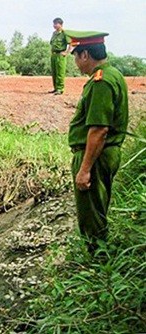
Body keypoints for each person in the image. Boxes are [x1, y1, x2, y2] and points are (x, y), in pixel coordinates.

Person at [66, 30, 129, 254]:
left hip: (96, 155)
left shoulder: (101, 82)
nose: (75, 63)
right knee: (97, 209)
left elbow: (99, 130)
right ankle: (100, 261)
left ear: (85, 55)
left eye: (76, 56)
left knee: (91, 216)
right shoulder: (113, 74)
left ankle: (98, 262)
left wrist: (84, 169)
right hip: (103, 154)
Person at [49, 18, 69, 95]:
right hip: (54, 55)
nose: (54, 25)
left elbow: (71, 43)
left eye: (56, 24)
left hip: (60, 55)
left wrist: (66, 52)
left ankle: (60, 89)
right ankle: (55, 88)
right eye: (54, 23)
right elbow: (52, 43)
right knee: (54, 72)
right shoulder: (54, 33)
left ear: (61, 24)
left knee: (60, 72)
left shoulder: (64, 33)